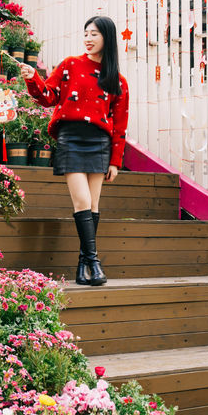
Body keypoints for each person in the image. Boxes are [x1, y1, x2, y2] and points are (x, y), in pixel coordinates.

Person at [20, 16, 129, 286]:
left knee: (93, 205)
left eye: (94, 34)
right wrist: (33, 78)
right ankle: (93, 261)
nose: (88, 39)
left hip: (100, 143)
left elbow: (120, 124)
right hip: (71, 138)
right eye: (86, 33)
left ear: (107, 38)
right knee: (82, 202)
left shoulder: (117, 80)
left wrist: (116, 161)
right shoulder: (70, 65)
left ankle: (83, 267)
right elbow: (47, 97)